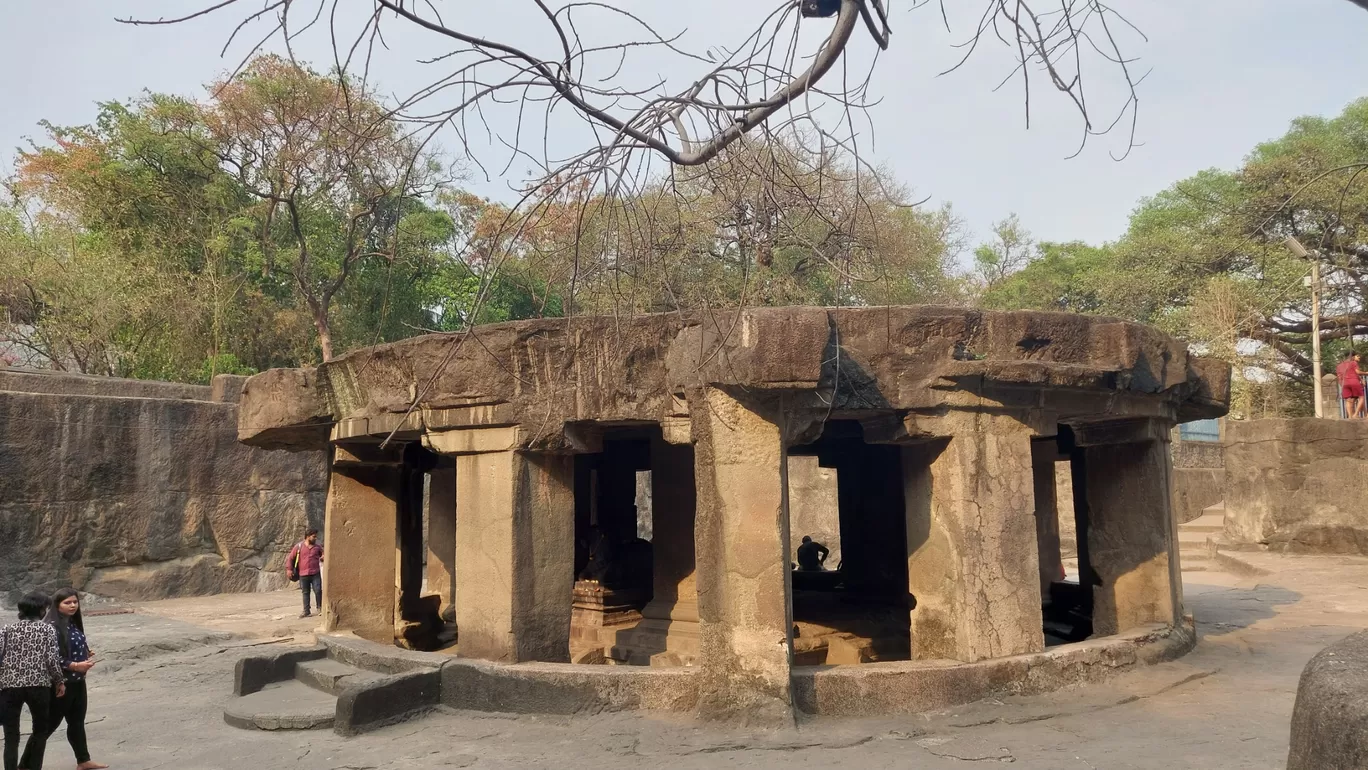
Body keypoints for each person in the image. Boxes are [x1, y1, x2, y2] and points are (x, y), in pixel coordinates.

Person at [21, 590, 105, 770]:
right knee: (46, 728)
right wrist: (74, 665)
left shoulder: (72, 623)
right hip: (59, 685)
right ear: (57, 605)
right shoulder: (50, 627)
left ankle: (83, 760)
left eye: (75, 602)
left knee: (76, 723)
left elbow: (70, 647)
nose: (73, 605)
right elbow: (48, 657)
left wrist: (85, 653)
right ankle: (25, 765)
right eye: (68, 602)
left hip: (77, 683)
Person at [0, 593, 64, 770]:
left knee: (11, 736)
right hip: (39, 686)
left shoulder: (6, 629)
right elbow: (52, 659)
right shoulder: (47, 630)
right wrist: (59, 681)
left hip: (10, 687)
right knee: (40, 731)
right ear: (42, 610)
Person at [287, 528, 325, 618]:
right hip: (303, 574)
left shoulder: (317, 547)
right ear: (308, 536)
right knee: (305, 592)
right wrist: (289, 569)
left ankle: (320, 608)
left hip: (315, 573)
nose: (315, 538)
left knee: (318, 590)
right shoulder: (299, 546)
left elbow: (323, 554)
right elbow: (290, 558)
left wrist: (323, 556)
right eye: (314, 536)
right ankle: (306, 611)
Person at [1337, 349, 1366, 419]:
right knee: (1361, 397)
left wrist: (1342, 384)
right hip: (1354, 382)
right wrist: (1366, 373)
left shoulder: (1339, 365)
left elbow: (1339, 377)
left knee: (1349, 400)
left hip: (1344, 384)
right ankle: (1355, 414)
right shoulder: (1353, 363)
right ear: (1352, 356)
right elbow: (1357, 372)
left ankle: (1350, 417)